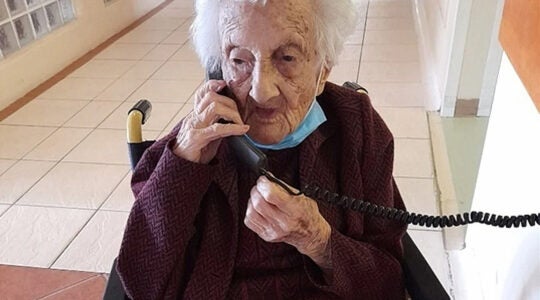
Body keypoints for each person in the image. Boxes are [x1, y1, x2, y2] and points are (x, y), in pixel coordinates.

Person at [117, 0, 407, 299]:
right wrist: (182, 169)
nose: (261, 91)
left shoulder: (357, 128)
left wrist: (320, 240)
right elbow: (141, 284)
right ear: (219, 66)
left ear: (323, 70)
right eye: (239, 61)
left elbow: (388, 282)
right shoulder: (192, 144)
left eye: (287, 58)